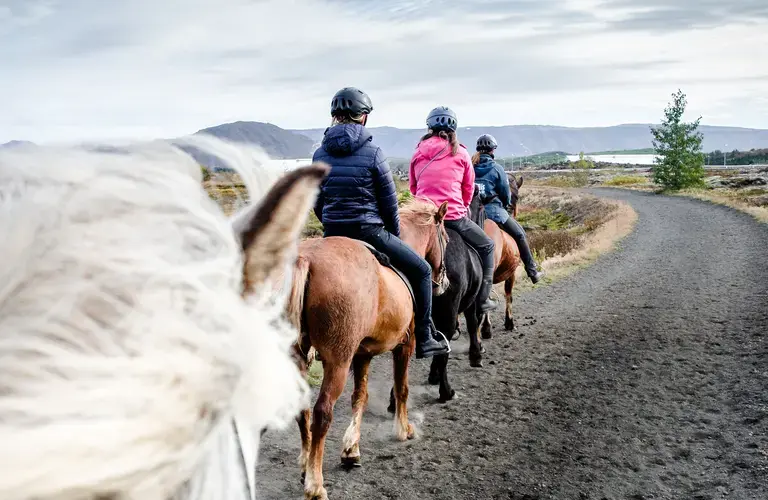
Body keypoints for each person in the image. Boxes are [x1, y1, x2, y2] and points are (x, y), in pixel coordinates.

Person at [312, 87, 450, 359]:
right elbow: (389, 204)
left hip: (332, 232)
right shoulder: (374, 153)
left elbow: (316, 200)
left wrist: (330, 224)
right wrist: (394, 235)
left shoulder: (319, 154)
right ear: (363, 117)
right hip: (369, 231)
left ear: (334, 116)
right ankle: (423, 337)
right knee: (422, 270)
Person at [409, 106, 498, 313]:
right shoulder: (462, 153)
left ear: (429, 127)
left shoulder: (417, 152)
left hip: (425, 218)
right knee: (487, 246)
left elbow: (413, 187)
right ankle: (483, 299)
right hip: (453, 217)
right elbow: (468, 188)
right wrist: (463, 206)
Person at [472, 134, 545, 284]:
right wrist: (504, 206)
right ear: (493, 150)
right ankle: (532, 271)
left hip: (472, 214)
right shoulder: (497, 169)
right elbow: (506, 194)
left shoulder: (470, 167)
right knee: (520, 234)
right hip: (494, 213)